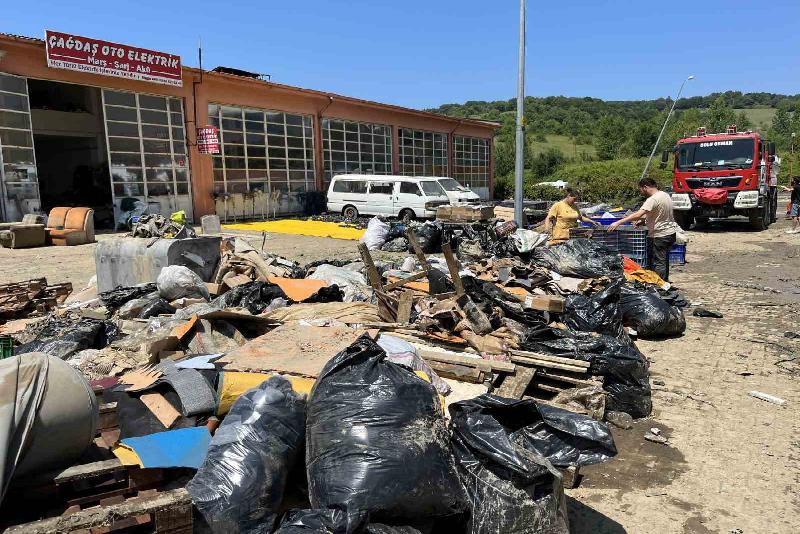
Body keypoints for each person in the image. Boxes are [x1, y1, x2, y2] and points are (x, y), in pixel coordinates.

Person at [609, 178, 678, 281]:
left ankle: (659, 285)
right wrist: (643, 221)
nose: (641, 192)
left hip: (659, 235)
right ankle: (663, 282)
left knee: (658, 263)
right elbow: (658, 213)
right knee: (663, 261)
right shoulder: (665, 195)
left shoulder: (653, 199)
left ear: (645, 187)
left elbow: (638, 214)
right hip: (670, 233)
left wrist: (618, 222)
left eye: (640, 189)